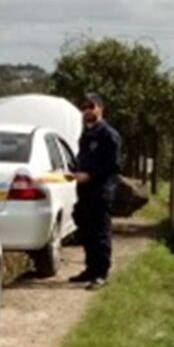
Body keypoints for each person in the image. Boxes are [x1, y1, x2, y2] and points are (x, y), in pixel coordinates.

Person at [69, 92, 122, 290]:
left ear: (100, 108)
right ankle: (90, 269)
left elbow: (113, 165)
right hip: (85, 191)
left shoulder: (108, 135)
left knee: (100, 232)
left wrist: (90, 175)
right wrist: (74, 171)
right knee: (87, 231)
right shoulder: (86, 134)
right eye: (84, 107)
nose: (87, 111)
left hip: (101, 191)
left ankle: (101, 273)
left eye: (91, 106)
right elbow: (82, 159)